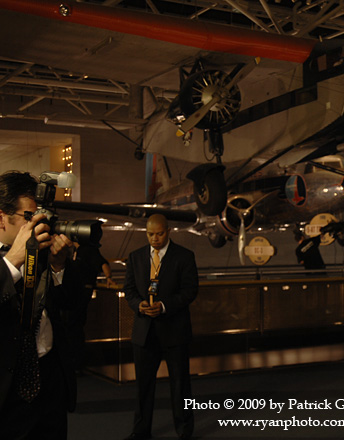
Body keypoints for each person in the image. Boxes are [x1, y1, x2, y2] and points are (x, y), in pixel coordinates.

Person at [0, 170, 80, 439]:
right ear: (1, 218)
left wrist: (58, 267)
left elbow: (70, 304)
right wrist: (12, 261)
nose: (37, 224)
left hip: (50, 377)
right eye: (28, 217)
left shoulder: (42, 250)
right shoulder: (15, 255)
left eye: (39, 215)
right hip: (7, 387)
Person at [123, 214, 198, 440]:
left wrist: (164, 306)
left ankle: (184, 431)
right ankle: (140, 431)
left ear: (168, 231)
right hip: (144, 332)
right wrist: (139, 305)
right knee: (143, 387)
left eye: (159, 234)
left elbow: (190, 291)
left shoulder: (184, 256)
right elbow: (129, 290)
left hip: (175, 331)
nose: (154, 238)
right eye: (150, 234)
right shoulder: (135, 257)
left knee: (180, 385)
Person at [63, 243, 113, 373]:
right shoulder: (76, 251)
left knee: (74, 326)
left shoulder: (88, 250)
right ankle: (74, 361)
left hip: (81, 293)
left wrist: (108, 278)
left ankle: (77, 362)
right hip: (75, 293)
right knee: (73, 326)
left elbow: (103, 263)